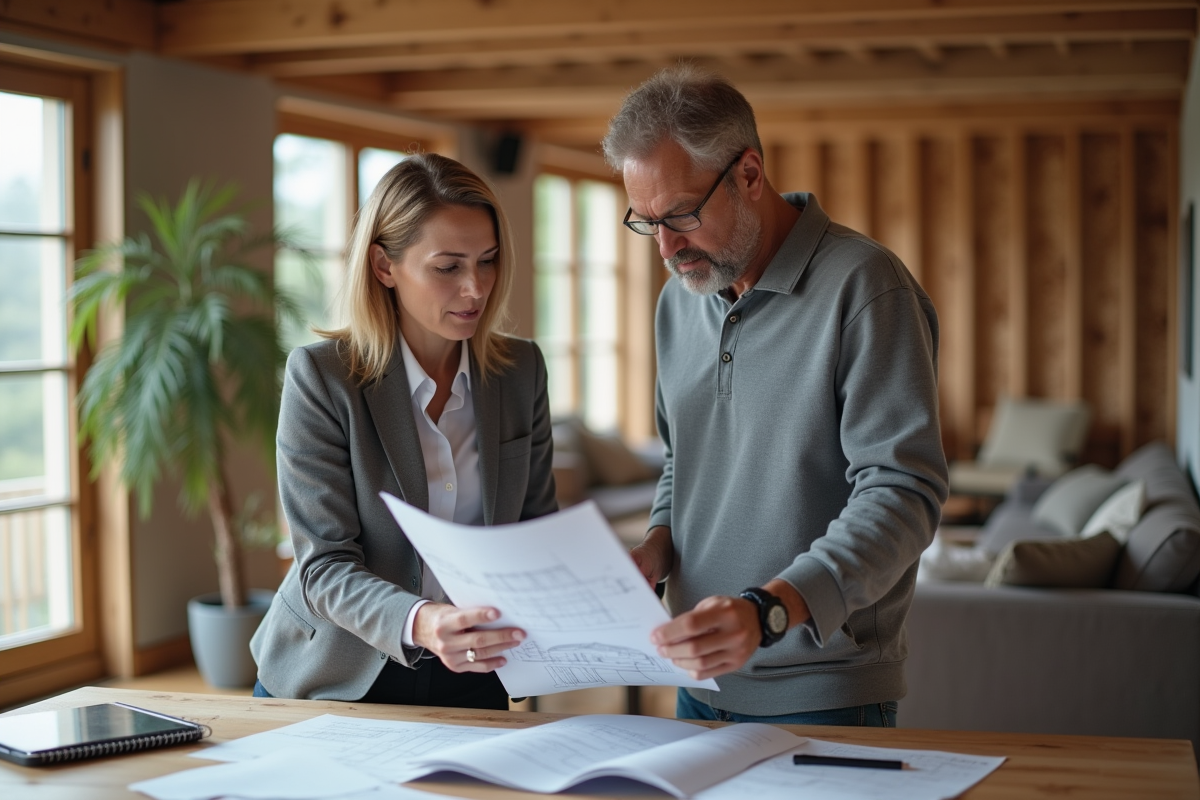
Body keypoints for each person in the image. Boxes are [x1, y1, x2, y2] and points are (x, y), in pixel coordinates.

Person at [602, 66, 948, 726]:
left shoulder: (866, 288)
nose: (667, 248)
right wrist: (655, 546)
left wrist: (769, 611)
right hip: (697, 685)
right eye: (646, 223)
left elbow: (904, 494)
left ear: (750, 175)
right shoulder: (680, 299)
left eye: (681, 214)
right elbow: (685, 462)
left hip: (824, 694)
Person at [250, 153, 557, 710]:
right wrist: (422, 621)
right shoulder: (323, 378)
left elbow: (534, 531)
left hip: (473, 672)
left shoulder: (521, 371)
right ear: (384, 266)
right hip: (336, 671)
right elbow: (324, 566)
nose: (475, 289)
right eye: (448, 267)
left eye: (487, 261)